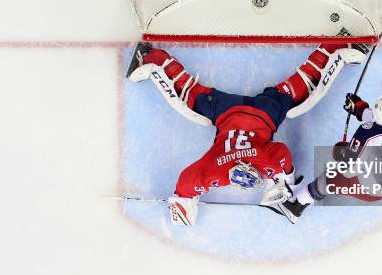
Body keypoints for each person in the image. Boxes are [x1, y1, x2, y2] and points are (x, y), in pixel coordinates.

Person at [127, 42, 368, 225]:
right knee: (191, 96)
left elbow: (282, 155)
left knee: (297, 91)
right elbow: (187, 181)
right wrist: (182, 204)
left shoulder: (260, 164)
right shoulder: (218, 171)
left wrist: (284, 179)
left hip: (263, 112)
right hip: (226, 110)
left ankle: (336, 48)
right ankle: (153, 58)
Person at [277, 93, 382, 223]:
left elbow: (346, 169)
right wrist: (359, 108)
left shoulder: (366, 133)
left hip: (373, 189)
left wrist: (341, 152)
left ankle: (296, 206)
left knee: (329, 178)